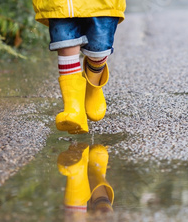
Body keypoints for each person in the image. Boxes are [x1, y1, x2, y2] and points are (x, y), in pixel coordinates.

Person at [32, 0, 126, 134]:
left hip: (102, 4)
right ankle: (74, 110)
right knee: (65, 42)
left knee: (98, 50)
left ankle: (93, 84)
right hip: (61, 4)